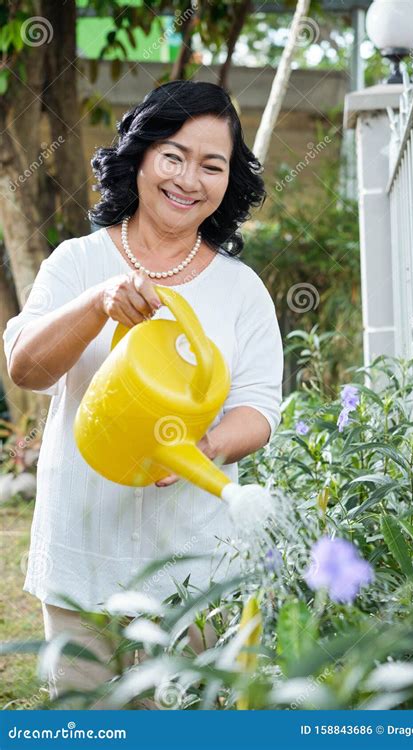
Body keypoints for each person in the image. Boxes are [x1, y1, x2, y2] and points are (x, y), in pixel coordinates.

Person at [3, 80, 284, 707]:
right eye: (174, 155)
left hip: (195, 566)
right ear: (141, 157)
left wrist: (205, 446)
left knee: (182, 723)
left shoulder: (241, 290)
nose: (189, 179)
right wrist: (98, 305)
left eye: (213, 166)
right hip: (83, 556)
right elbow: (26, 367)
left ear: (228, 182)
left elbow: (261, 405)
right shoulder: (76, 264)